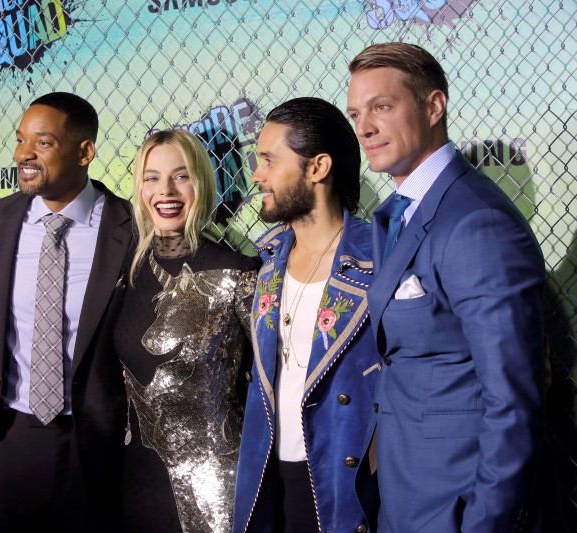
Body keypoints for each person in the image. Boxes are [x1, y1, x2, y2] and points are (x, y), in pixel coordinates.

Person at [346, 42, 546, 532]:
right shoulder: (399, 212)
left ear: (434, 106)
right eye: (355, 113)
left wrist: (482, 521)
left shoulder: (476, 222)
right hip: (403, 497)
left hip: (456, 508)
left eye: (382, 107)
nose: (365, 128)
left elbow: (514, 398)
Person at [0, 92, 134, 532]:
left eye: (42, 143)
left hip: (95, 441)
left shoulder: (131, 228)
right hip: (9, 435)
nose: (24, 154)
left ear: (85, 152)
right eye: (21, 140)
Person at [233, 97, 380, 533]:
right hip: (269, 478)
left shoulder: (379, 262)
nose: (256, 175)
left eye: (269, 160)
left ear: (317, 168)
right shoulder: (266, 257)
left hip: (341, 480)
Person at [114, 129, 259, 532]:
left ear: (203, 181)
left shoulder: (238, 271)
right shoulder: (129, 270)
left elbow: (268, 386)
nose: (166, 191)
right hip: (139, 477)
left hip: (215, 493)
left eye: (181, 176)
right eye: (152, 177)